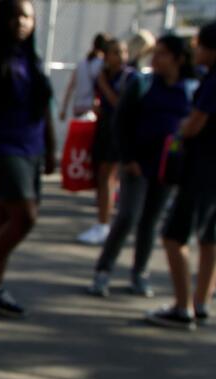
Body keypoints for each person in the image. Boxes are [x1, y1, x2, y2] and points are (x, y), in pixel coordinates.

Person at [145, 21, 216, 331]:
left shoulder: (215, 83)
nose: (196, 51)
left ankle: (181, 306)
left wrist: (178, 131)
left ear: (214, 50)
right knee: (209, 238)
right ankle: (201, 302)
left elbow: (193, 126)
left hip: (201, 171)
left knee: (174, 236)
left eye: (200, 45)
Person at [0, 0, 56, 317]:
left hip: (32, 149)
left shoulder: (31, 59)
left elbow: (44, 108)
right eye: (15, 15)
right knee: (25, 217)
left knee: (5, 220)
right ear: (2, 19)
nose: (22, 22)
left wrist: (51, 148)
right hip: (4, 150)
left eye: (28, 16)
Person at [90, 34, 195, 299]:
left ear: (178, 59)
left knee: (150, 222)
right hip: (136, 165)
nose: (155, 58)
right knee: (127, 216)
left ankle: (140, 273)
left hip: (167, 168)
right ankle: (103, 271)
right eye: (155, 52)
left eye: (162, 53)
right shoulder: (142, 83)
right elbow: (121, 123)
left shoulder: (189, 89)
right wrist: (128, 159)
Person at [78, 38, 136, 245]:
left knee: (108, 177)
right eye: (115, 53)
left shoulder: (129, 78)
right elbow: (99, 100)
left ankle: (105, 224)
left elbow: (121, 106)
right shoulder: (103, 75)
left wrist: (103, 85)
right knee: (101, 177)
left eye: (123, 52)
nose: (120, 57)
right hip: (103, 130)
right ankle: (102, 222)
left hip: (118, 134)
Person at [60, 33, 109, 121]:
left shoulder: (81, 63)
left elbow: (70, 87)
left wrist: (64, 109)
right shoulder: (102, 64)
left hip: (78, 108)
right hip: (92, 108)